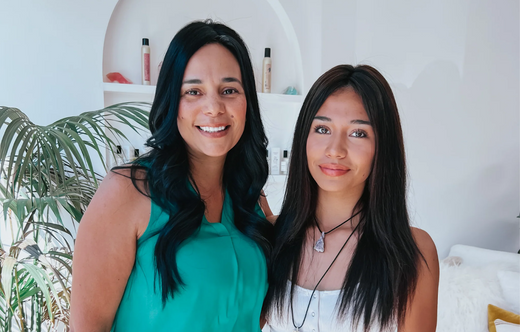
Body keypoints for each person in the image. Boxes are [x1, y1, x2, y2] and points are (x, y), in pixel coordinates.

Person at [70, 20, 273, 331]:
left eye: (229, 90)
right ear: (171, 101)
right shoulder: (128, 192)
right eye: (193, 91)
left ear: (247, 102)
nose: (214, 107)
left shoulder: (252, 201)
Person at [263, 65, 439, 332]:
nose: (335, 150)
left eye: (358, 133)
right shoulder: (272, 237)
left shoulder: (411, 251)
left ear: (382, 147)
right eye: (322, 129)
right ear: (303, 137)